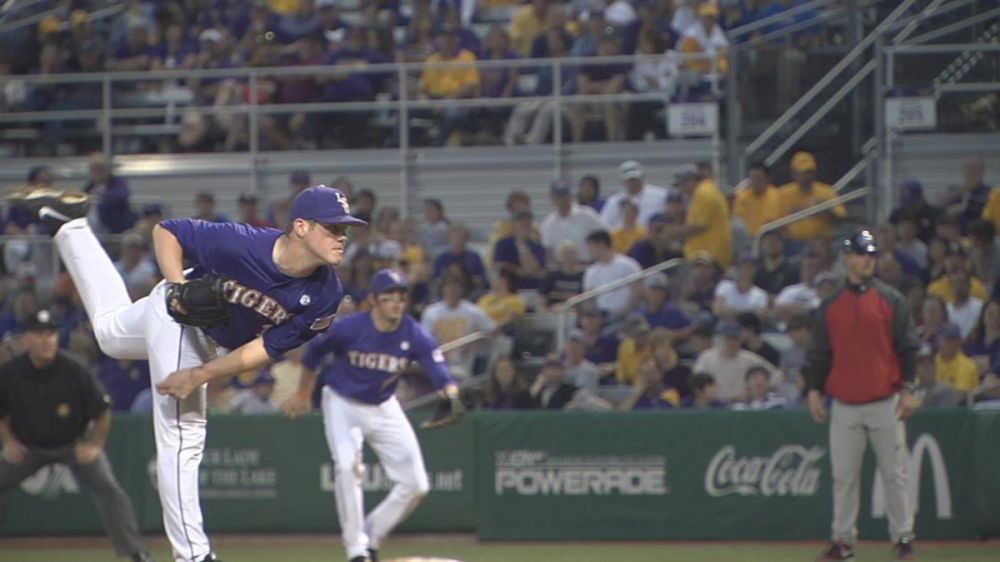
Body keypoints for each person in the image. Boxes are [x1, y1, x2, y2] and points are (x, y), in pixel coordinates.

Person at [11, 184, 365, 562]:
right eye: (333, 228)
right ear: (301, 227)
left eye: (344, 229)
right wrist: (178, 286)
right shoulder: (242, 243)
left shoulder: (326, 293)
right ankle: (193, 555)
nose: (342, 237)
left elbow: (263, 349)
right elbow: (167, 231)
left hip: (205, 334)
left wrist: (201, 374)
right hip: (181, 315)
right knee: (184, 434)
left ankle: (71, 226)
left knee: (111, 336)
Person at [283, 269, 458, 562]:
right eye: (389, 298)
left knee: (417, 485)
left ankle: (371, 536)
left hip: (383, 405)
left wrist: (450, 393)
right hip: (342, 402)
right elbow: (314, 353)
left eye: (401, 298)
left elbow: (436, 365)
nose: (397, 304)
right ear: (375, 300)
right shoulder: (350, 328)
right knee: (348, 467)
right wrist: (304, 393)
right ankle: (356, 550)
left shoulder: (412, 332)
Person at [0, 310, 153, 562]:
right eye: (39, 334)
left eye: (50, 333)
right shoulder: (11, 373)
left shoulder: (74, 368)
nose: (46, 340)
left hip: (72, 445)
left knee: (110, 489)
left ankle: (135, 552)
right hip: (29, 447)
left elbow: (103, 410)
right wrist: (9, 441)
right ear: (26, 339)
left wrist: (95, 444)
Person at [805, 229, 919, 561]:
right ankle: (843, 541)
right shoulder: (831, 304)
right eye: (860, 254)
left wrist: (909, 389)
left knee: (894, 474)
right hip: (845, 404)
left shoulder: (891, 299)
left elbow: (909, 348)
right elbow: (819, 354)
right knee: (843, 477)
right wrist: (814, 390)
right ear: (846, 258)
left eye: (870, 254)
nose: (867, 259)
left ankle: (903, 539)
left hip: (885, 400)